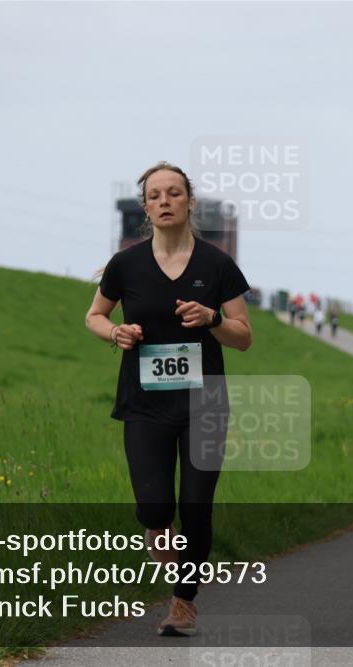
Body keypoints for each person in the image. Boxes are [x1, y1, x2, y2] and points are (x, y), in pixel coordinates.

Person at [85, 162, 252, 636]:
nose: (164, 201)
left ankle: (183, 603)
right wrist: (114, 331)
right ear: (145, 207)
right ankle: (171, 556)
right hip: (145, 404)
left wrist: (212, 318)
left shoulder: (217, 264)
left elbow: (243, 337)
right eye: (155, 195)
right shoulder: (127, 264)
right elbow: (94, 316)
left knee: (195, 508)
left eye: (174, 193)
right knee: (156, 510)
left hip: (204, 405)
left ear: (189, 202)